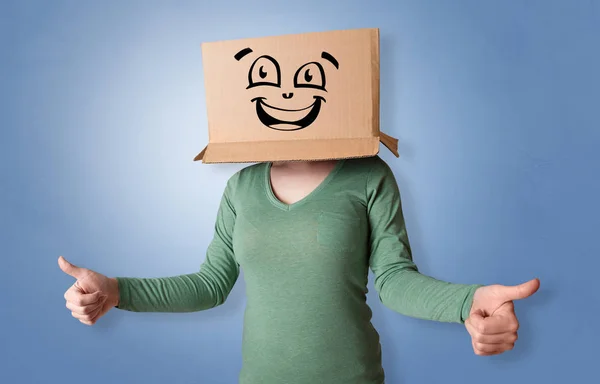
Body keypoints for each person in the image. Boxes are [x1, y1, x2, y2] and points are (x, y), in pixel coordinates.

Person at [59, 155, 540, 384]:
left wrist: (466, 302)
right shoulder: (242, 186)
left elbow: (393, 280)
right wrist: (118, 291)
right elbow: (210, 284)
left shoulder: (369, 176)